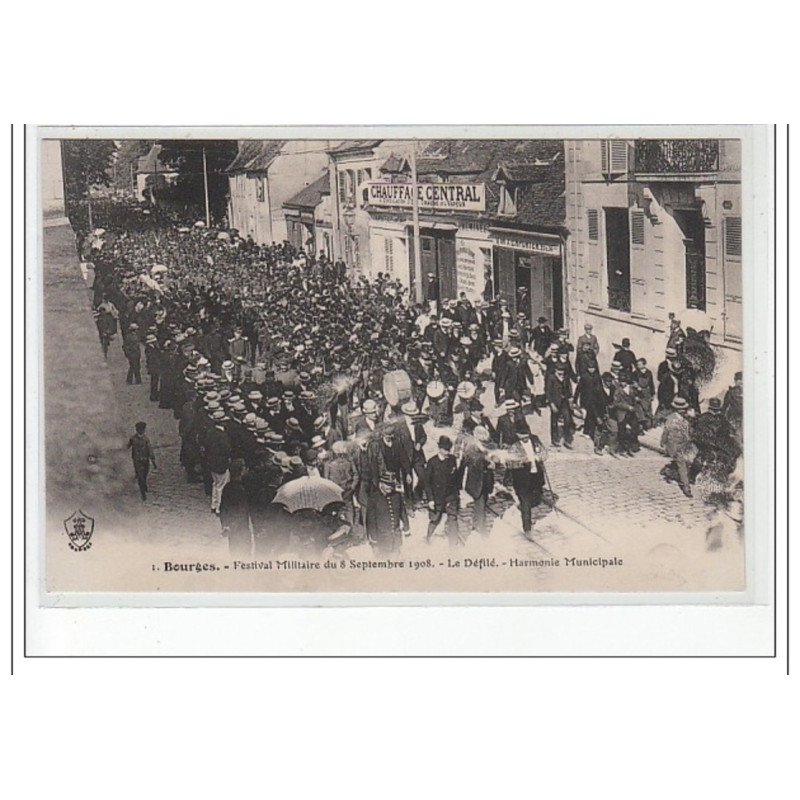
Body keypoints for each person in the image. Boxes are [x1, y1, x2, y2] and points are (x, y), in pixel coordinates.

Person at [508, 424, 547, 540]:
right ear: (518, 435)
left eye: (527, 436)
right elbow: (509, 463)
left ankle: (527, 507)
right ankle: (527, 528)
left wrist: (539, 457)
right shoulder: (514, 445)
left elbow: (545, 453)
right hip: (522, 479)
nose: (525, 438)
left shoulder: (535, 440)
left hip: (536, 476)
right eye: (522, 436)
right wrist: (522, 461)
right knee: (525, 503)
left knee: (535, 499)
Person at [425, 435, 462, 547]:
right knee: (435, 519)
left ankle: (453, 543)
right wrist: (430, 499)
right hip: (437, 497)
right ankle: (428, 537)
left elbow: (455, 477)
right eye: (445, 450)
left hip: (450, 495)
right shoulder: (432, 462)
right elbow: (427, 483)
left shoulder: (452, 460)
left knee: (453, 518)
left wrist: (456, 493)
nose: (447, 452)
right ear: (440, 448)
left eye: (448, 449)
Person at [462, 426, 495, 537]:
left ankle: (476, 524)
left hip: (486, 479)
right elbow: (471, 459)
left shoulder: (483, 445)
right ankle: (479, 528)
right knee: (479, 502)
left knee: (483, 501)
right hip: (476, 480)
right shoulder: (471, 445)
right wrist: (485, 459)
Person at [660, 396, 697, 497]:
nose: (683, 411)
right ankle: (686, 487)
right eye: (681, 409)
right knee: (682, 466)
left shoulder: (686, 418)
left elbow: (690, 431)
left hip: (686, 444)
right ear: (676, 409)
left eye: (683, 409)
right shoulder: (670, 419)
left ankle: (672, 472)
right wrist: (663, 442)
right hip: (676, 446)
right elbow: (666, 432)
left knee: (688, 463)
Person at [365, 472, 409, 554]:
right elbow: (371, 522)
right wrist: (374, 541)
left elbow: (402, 512)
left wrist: (406, 528)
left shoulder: (397, 496)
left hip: (396, 538)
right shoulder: (374, 499)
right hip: (382, 540)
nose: (390, 487)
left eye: (392, 484)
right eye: (387, 484)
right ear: (381, 484)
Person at [219, 459, 251, 557]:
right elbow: (242, 511)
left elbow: (223, 508)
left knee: (234, 550)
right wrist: (233, 525)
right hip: (240, 528)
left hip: (231, 528)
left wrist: (225, 524)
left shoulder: (227, 487)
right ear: (241, 471)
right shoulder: (241, 489)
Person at [545, 364, 574, 448]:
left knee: (567, 420)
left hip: (564, 402)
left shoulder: (566, 377)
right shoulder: (551, 378)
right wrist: (551, 404)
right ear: (556, 370)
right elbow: (548, 392)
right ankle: (554, 440)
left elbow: (569, 388)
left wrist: (570, 398)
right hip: (555, 402)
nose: (561, 374)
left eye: (562, 372)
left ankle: (567, 440)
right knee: (554, 422)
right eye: (559, 372)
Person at [127, 421, 157, 500]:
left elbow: (150, 449)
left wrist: (153, 460)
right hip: (137, 460)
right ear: (137, 430)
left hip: (145, 459)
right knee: (140, 475)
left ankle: (144, 483)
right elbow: (128, 446)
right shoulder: (133, 439)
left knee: (145, 474)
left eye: (142, 429)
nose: (140, 431)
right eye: (139, 429)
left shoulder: (146, 439)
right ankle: (142, 492)